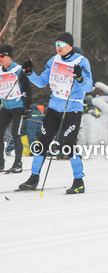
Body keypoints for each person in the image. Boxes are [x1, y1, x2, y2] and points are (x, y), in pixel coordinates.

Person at [18, 32, 93, 193]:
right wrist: (30, 73)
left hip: (72, 108)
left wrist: (79, 77)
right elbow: (41, 82)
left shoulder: (81, 61)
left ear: (70, 45)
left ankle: (78, 181)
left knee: (68, 144)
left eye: (61, 44)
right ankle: (33, 178)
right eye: (56, 44)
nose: (58, 47)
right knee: (43, 142)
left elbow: (88, 87)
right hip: (54, 108)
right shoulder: (53, 60)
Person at [0, 44, 33, 173]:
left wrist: (28, 107)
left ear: (9, 56)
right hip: (5, 107)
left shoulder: (18, 70)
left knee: (15, 133)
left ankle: (18, 163)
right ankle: (0, 163)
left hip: (18, 107)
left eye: (2, 56)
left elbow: (27, 89)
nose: (0, 59)